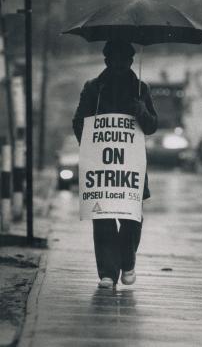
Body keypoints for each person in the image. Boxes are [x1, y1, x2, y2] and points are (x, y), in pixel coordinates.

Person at [72, 41, 158, 289]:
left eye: (124, 60)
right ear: (107, 61)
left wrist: (141, 111)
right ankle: (107, 273)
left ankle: (127, 262)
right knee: (103, 217)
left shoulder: (141, 89)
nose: (119, 65)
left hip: (130, 166)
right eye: (114, 60)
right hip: (102, 164)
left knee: (132, 218)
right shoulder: (93, 88)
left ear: (131, 62)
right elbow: (79, 121)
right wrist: (90, 146)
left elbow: (152, 125)